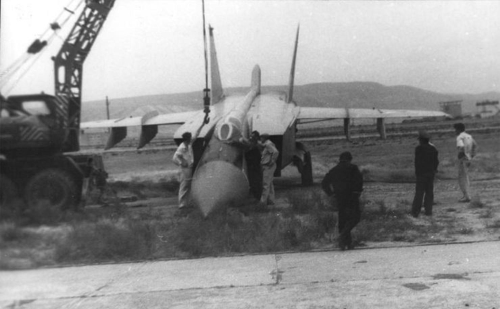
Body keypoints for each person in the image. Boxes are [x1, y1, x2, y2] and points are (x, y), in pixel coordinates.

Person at [321, 151, 363, 250]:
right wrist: (357, 193)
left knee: (343, 219)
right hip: (352, 196)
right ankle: (343, 237)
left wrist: (331, 194)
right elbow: (359, 181)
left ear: (340, 159)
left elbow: (324, 183)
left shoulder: (334, 170)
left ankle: (346, 243)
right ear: (350, 159)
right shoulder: (353, 168)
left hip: (339, 197)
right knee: (355, 218)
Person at [173, 124, 204, 211]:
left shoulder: (189, 144)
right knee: (184, 185)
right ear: (187, 139)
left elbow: (196, 134)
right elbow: (174, 158)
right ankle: (182, 204)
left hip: (189, 168)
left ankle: (186, 203)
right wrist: (182, 163)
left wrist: (202, 124)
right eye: (189, 137)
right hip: (185, 169)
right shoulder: (182, 148)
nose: (191, 138)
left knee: (188, 185)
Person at [411, 130, 439, 217]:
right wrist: (434, 170)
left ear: (421, 140)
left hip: (421, 174)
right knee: (429, 192)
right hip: (430, 173)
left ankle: (416, 212)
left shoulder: (418, 149)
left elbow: (417, 162)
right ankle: (428, 211)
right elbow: (436, 162)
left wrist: (417, 173)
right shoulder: (433, 149)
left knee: (419, 193)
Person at [454, 123, 477, 203]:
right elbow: (474, 145)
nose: (455, 131)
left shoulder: (460, 137)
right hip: (468, 159)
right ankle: (467, 195)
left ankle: (466, 196)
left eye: (456, 129)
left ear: (459, 129)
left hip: (463, 159)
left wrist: (461, 155)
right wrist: (471, 155)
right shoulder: (469, 136)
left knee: (462, 178)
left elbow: (461, 147)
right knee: (465, 177)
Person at [239, 131, 263, 200]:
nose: (251, 138)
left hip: (255, 167)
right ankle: (257, 196)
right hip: (253, 167)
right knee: (254, 181)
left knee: (256, 181)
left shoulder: (256, 146)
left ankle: (258, 197)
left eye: (253, 136)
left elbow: (249, 147)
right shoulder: (255, 144)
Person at [259, 133, 279, 208]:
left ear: (264, 138)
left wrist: (272, 161)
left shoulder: (268, 144)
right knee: (269, 183)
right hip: (268, 165)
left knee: (265, 184)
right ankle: (271, 200)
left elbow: (276, 152)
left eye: (261, 138)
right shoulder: (267, 144)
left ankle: (263, 202)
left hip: (268, 166)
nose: (260, 139)